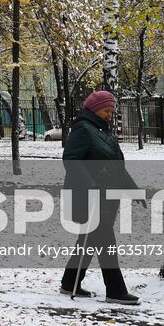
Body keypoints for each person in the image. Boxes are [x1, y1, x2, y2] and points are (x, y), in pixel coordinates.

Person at [60, 90, 141, 305]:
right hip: (89, 198)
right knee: (106, 243)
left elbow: (118, 168)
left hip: (107, 197)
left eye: (112, 111)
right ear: (94, 109)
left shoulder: (105, 133)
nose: (109, 114)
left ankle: (69, 283)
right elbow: (71, 159)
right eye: (106, 110)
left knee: (88, 242)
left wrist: (134, 191)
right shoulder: (83, 129)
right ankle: (115, 291)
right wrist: (90, 184)